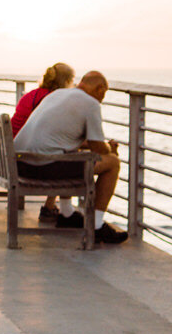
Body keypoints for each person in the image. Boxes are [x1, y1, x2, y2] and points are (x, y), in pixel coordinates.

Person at [12, 71, 128, 245]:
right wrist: (110, 150)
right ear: (100, 88)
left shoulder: (58, 94)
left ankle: (67, 215)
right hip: (41, 167)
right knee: (112, 163)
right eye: (104, 93)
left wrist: (98, 147)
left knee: (73, 155)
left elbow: (63, 140)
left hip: (20, 163)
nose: (103, 98)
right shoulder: (91, 104)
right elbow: (98, 148)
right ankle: (96, 226)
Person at [10, 62, 75, 221]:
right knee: (70, 154)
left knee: (63, 151)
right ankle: (59, 210)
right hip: (25, 160)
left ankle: (52, 207)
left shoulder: (31, 95)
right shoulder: (53, 101)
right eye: (72, 80)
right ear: (66, 82)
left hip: (13, 153)